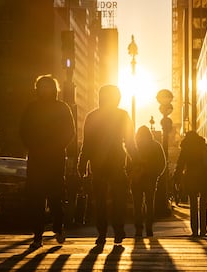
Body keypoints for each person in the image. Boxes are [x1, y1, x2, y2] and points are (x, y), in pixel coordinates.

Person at [19, 75, 75, 249]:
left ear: (54, 89)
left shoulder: (62, 107)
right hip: (36, 157)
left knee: (55, 196)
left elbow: (69, 131)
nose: (45, 89)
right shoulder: (31, 108)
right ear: (37, 88)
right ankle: (37, 236)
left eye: (48, 86)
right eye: (41, 86)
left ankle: (58, 227)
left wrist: (58, 146)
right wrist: (31, 146)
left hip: (55, 158)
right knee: (36, 198)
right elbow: (23, 130)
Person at [77, 85, 136, 246]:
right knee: (118, 199)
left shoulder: (92, 116)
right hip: (116, 162)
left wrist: (82, 163)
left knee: (100, 200)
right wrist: (136, 160)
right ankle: (118, 231)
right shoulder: (122, 115)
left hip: (99, 163)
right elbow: (130, 142)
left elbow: (87, 144)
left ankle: (102, 233)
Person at [173, 131, 207, 237]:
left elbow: (180, 164)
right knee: (203, 205)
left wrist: (176, 177)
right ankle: (203, 229)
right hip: (204, 177)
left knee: (193, 205)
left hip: (191, 177)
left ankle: (194, 230)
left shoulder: (186, 148)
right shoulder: (203, 146)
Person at [132, 125, 166, 237]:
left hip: (136, 179)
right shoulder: (156, 146)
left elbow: (127, 163)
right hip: (150, 178)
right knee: (150, 204)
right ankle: (149, 228)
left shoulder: (134, 146)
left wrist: (130, 175)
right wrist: (156, 174)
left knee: (137, 204)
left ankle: (138, 228)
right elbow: (162, 162)